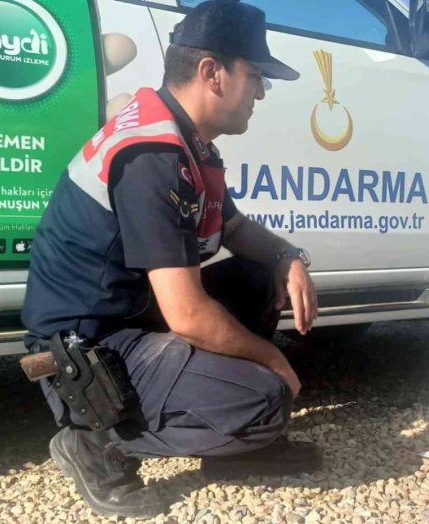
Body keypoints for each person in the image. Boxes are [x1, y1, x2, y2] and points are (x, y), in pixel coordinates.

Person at [21, 0, 321, 518]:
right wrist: (275, 360)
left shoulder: (186, 140)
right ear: (212, 73)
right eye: (255, 75)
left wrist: (288, 256)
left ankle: (231, 450)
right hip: (86, 353)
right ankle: (94, 441)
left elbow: (236, 229)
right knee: (265, 399)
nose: (262, 91)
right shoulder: (152, 156)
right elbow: (186, 315)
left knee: (257, 274)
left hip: (131, 317)